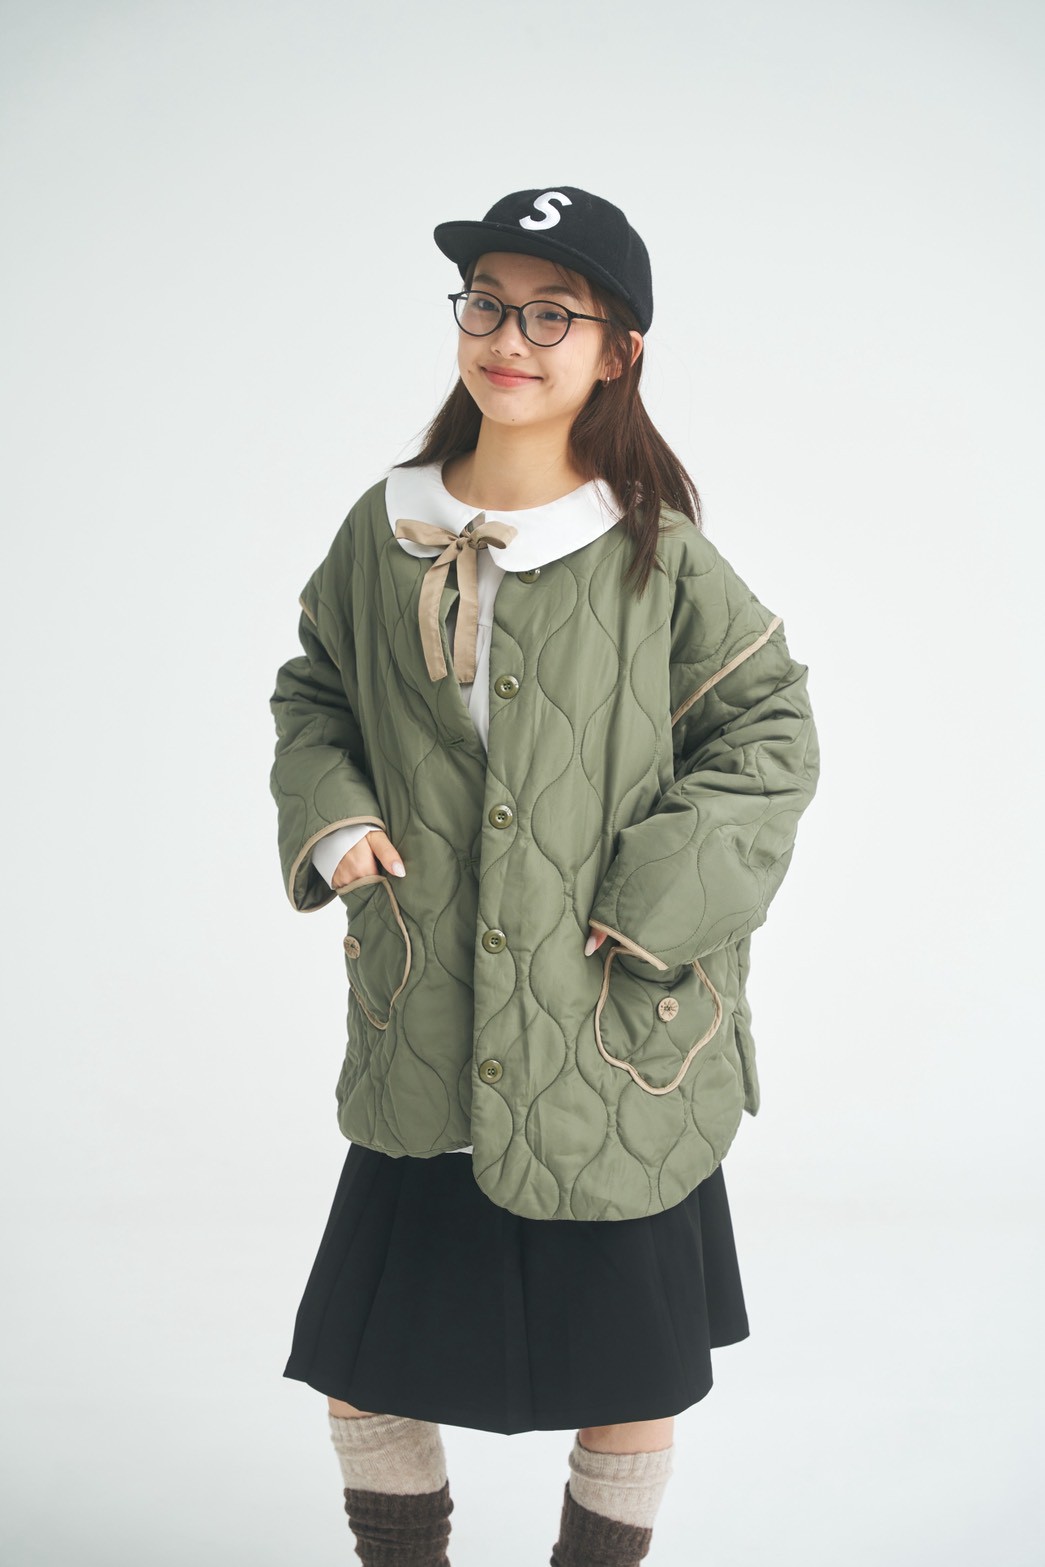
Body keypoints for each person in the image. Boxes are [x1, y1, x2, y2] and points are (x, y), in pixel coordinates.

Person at [268, 184, 821, 1567]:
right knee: (363, 1361)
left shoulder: (652, 548)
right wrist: (334, 822)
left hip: (606, 1028)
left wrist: (651, 903)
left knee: (628, 1373)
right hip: (427, 1018)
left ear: (618, 350)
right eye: (487, 305)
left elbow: (770, 733)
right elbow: (315, 689)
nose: (509, 339)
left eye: (551, 315)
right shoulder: (383, 527)